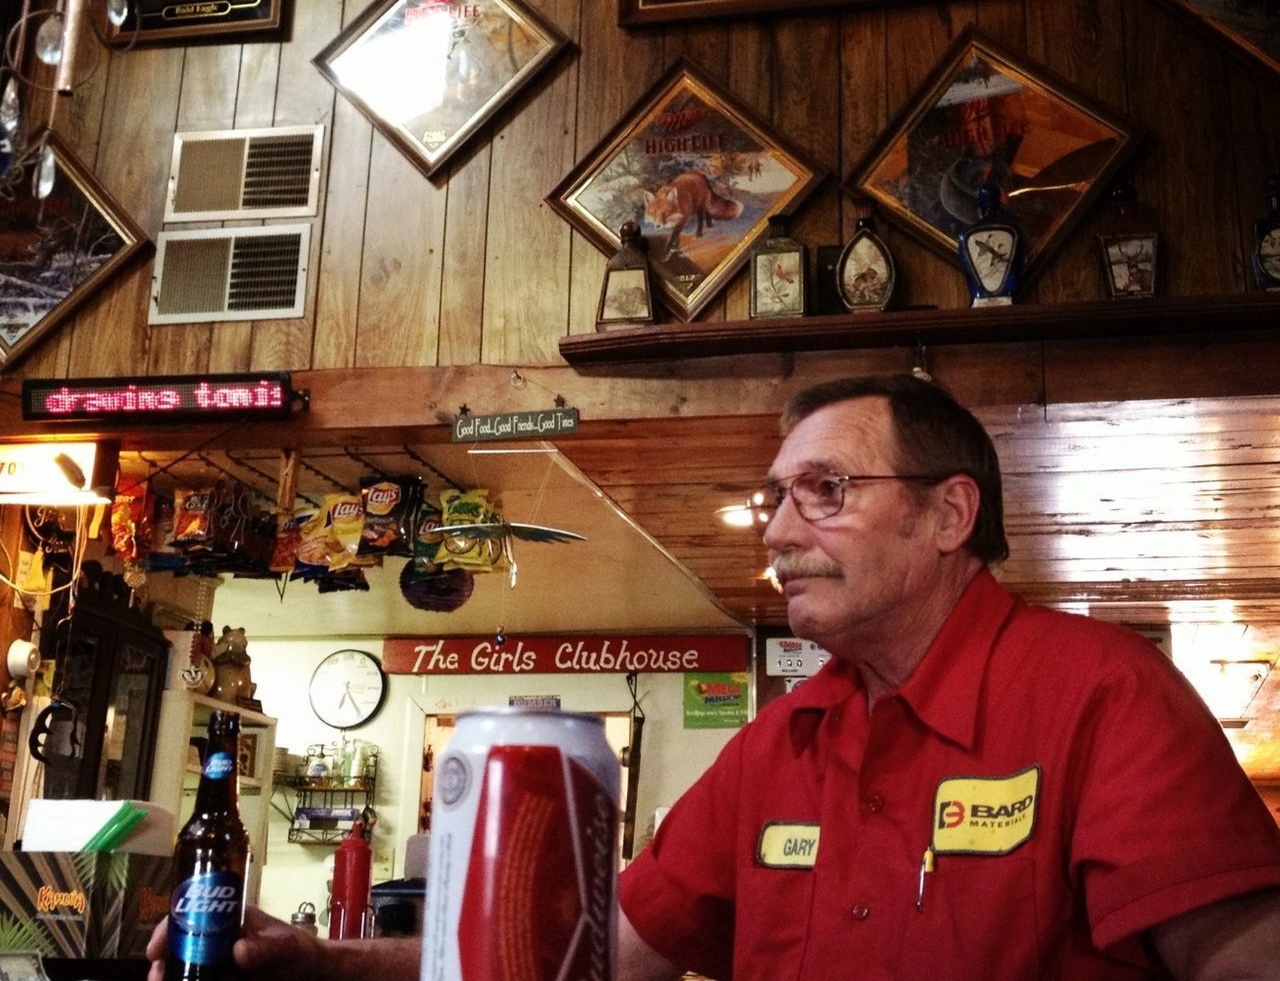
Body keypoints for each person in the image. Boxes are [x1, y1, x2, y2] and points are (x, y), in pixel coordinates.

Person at [147, 375, 1280, 981]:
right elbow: (593, 956)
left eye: (824, 489)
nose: (779, 530)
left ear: (949, 511)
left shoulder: (1101, 692)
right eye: (775, 499)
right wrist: (322, 964)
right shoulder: (782, 738)